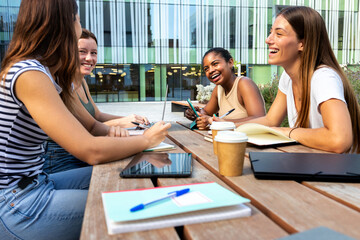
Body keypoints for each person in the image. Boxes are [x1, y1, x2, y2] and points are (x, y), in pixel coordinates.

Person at [0, 0, 170, 239]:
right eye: (78, 18)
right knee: (141, 206)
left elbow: (92, 125)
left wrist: (124, 134)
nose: (80, 25)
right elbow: (89, 150)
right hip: (15, 202)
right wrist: (145, 140)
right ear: (67, 21)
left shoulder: (52, 74)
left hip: (37, 181)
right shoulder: (29, 73)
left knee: (126, 169)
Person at [232, 6, 360, 153]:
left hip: (340, 172)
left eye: (279, 34)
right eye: (270, 33)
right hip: (312, 165)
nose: (268, 40)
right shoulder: (288, 77)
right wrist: (228, 126)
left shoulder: (323, 78)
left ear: (302, 43)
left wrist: (289, 132)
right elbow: (270, 121)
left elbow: (339, 140)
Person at [42, 29, 150, 174]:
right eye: (82, 51)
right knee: (123, 170)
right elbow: (88, 129)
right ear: (68, 52)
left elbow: (97, 115)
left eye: (93, 53)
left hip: (79, 150)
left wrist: (132, 119)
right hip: (60, 156)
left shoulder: (82, 82)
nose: (89, 58)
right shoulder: (63, 84)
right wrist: (120, 123)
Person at [185, 48, 265, 129]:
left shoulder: (244, 83)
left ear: (230, 62)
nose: (211, 70)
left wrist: (217, 122)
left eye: (215, 64)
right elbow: (206, 112)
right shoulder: (218, 89)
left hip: (248, 139)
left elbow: (259, 119)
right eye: (206, 69)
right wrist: (196, 113)